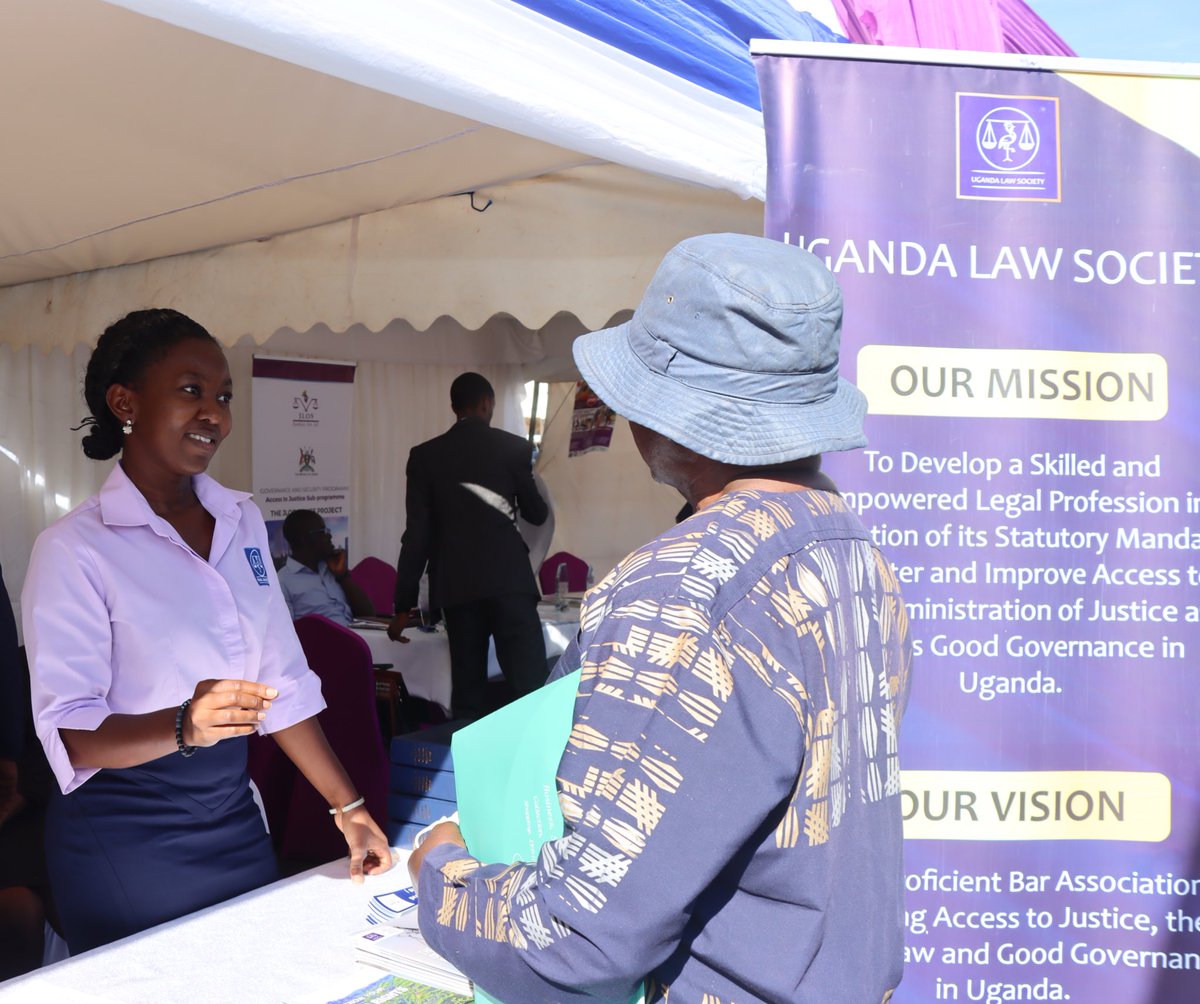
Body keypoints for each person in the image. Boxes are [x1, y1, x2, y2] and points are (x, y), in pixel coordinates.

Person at [407, 234, 913, 1002]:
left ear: (674, 418)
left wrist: (441, 873)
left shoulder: (685, 590)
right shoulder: (850, 549)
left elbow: (573, 941)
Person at [21, 308, 393, 955]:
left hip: (230, 817)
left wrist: (348, 809)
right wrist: (183, 725)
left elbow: (281, 683)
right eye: (191, 390)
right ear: (124, 402)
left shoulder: (242, 521)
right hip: (125, 834)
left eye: (223, 396)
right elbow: (73, 736)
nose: (214, 413)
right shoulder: (73, 549)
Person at [387, 372, 549, 721]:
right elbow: (537, 514)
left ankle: (468, 770)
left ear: (453, 407)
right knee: (530, 685)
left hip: (458, 589)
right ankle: (538, 767)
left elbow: (416, 536)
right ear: (488, 403)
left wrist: (403, 605)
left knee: (469, 693)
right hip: (510, 584)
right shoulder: (513, 448)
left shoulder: (425, 457)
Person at [277, 509, 376, 625]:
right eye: (323, 531)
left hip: (355, 636)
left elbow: (368, 614)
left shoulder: (330, 569)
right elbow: (287, 633)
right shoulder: (282, 581)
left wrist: (343, 576)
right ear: (304, 539)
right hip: (321, 641)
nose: (329, 535)